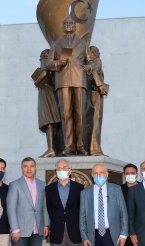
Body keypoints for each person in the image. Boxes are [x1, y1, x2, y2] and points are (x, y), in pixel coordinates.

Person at [48, 16, 89, 156]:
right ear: (62, 26)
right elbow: (48, 63)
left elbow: (91, 61)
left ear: (75, 26)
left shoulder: (83, 43)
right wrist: (57, 63)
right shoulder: (56, 43)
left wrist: (88, 67)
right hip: (63, 81)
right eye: (65, 23)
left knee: (80, 114)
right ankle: (69, 146)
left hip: (79, 80)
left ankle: (80, 145)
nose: (68, 25)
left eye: (71, 23)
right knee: (66, 115)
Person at [45, 159, 85, 246]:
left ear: (70, 170)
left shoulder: (79, 188)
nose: (62, 170)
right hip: (57, 233)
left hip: (75, 232)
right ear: (56, 172)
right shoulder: (49, 189)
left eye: (65, 167)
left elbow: (82, 210)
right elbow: (48, 209)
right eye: (59, 168)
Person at [34, 49, 61, 158]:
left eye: (44, 55)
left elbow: (45, 73)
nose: (42, 57)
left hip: (47, 94)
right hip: (45, 93)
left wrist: (37, 80)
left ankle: (51, 149)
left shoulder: (46, 64)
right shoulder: (46, 64)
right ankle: (51, 148)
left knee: (49, 121)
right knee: (49, 122)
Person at [81, 45, 108, 156]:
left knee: (91, 121)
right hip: (95, 93)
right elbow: (93, 69)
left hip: (90, 94)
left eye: (97, 52)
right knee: (95, 121)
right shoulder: (96, 62)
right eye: (95, 52)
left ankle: (92, 147)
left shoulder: (91, 64)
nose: (97, 54)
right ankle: (94, 148)